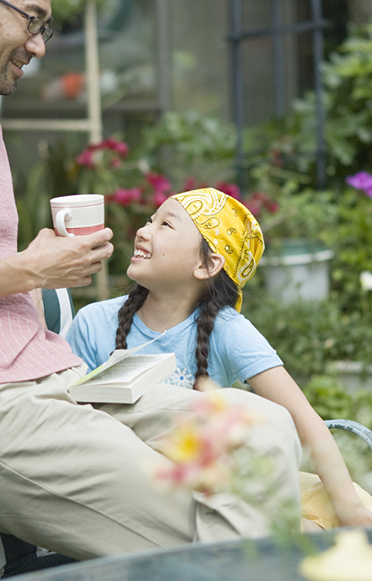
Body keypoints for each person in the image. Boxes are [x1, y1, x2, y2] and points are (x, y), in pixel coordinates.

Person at [0, 0, 303, 563]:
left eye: (45, 27)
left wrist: (29, 264)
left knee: (264, 430)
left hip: (59, 377)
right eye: (31, 20)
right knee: (201, 523)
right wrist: (30, 269)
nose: (39, 45)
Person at [67, 187, 372, 531]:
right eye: (150, 220)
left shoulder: (228, 332)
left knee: (348, 509)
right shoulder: (92, 324)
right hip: (124, 495)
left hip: (213, 490)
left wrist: (352, 512)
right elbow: (67, 423)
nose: (143, 230)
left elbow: (305, 421)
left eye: (165, 225)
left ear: (207, 264)